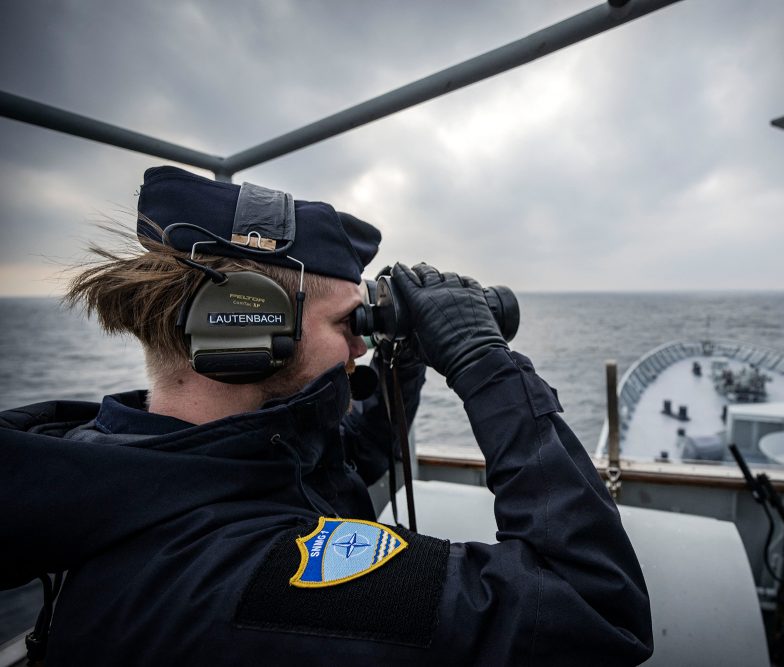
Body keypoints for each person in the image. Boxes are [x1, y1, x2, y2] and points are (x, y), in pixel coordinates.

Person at [0, 166, 653, 665]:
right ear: (246, 328)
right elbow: (593, 608)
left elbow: (336, 470)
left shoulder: (138, 460)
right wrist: (484, 364)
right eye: (349, 324)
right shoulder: (251, 576)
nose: (361, 344)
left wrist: (402, 366)